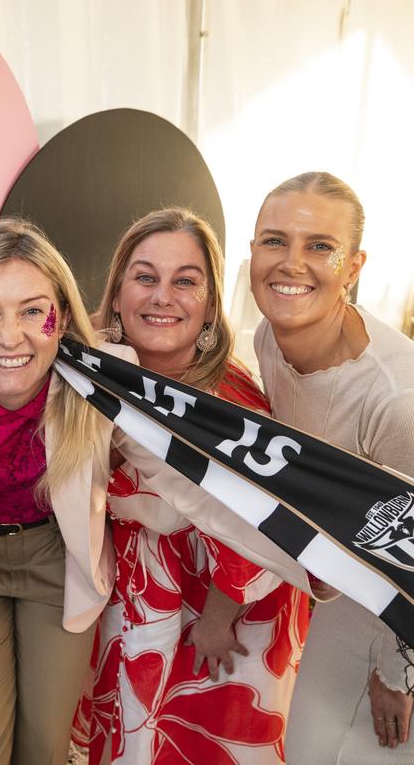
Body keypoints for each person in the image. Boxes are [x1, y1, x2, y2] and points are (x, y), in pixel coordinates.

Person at [0, 218, 308, 765]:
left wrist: (308, 555)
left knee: (46, 743)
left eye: (33, 311)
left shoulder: (97, 380)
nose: (11, 335)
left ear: (59, 316)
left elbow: (188, 487)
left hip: (61, 564)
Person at [73, 208, 310, 764]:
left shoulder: (229, 401)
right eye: (146, 277)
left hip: (222, 608)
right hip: (135, 586)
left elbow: (263, 527)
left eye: (185, 281)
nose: (163, 296)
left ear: (207, 304)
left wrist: (218, 618)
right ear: (117, 292)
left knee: (192, 741)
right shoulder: (93, 374)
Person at [250, 172, 414, 762]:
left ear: (354, 266)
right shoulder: (271, 336)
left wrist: (398, 673)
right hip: (336, 590)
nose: (291, 263)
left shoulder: (393, 401)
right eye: (274, 241)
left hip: (390, 617)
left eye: (320, 246)